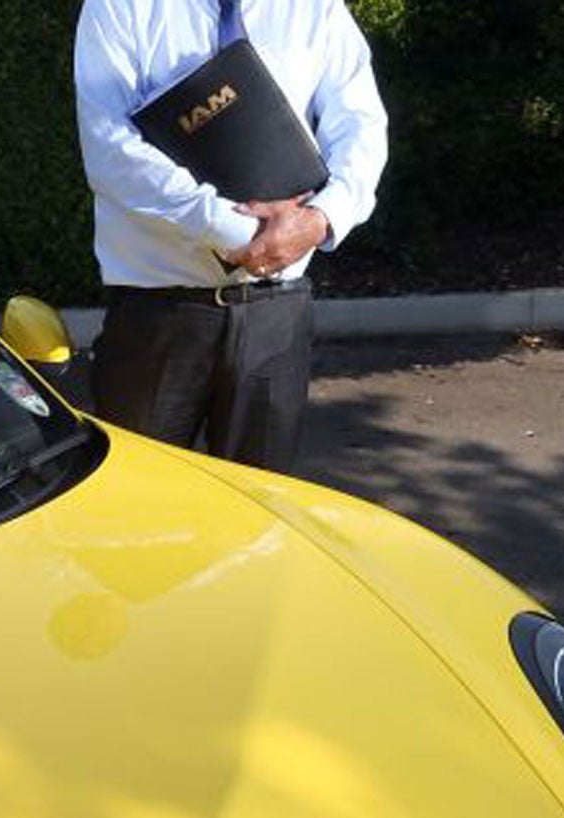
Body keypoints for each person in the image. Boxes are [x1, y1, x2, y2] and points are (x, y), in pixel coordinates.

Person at [75, 0, 388, 470]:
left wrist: (322, 218)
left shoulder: (316, 8)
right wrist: (243, 230)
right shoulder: (119, 6)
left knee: (263, 519)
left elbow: (361, 126)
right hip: (159, 311)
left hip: (274, 313)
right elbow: (111, 151)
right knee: (142, 514)